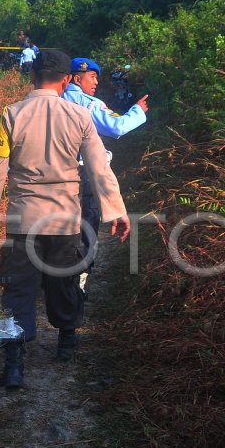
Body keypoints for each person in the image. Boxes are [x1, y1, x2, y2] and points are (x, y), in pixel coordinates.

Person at [0, 49, 131, 388]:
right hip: (65, 219)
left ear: (32, 76)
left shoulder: (11, 115)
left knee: (18, 288)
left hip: (23, 220)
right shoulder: (80, 116)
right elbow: (99, 170)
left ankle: (14, 365)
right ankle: (67, 342)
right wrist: (115, 211)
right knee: (65, 280)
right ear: (65, 80)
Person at [61, 56, 149, 288]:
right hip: (82, 178)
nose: (96, 83)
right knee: (85, 230)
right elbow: (116, 126)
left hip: (50, 180)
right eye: (92, 77)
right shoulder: (88, 104)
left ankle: (56, 283)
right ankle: (77, 286)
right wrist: (137, 111)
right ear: (77, 78)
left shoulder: (53, 100)